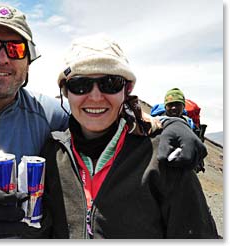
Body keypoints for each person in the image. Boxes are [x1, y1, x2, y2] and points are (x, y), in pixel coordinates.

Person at [0, 4, 208, 239]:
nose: (2, 57)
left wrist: (168, 126)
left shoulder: (46, 114)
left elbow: (99, 115)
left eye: (16, 48)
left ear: (28, 61)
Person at [40, 33, 218, 239]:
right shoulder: (52, 156)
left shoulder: (163, 160)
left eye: (110, 83)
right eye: (80, 84)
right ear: (65, 91)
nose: (96, 97)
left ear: (127, 89)